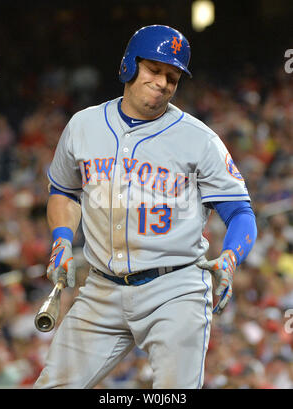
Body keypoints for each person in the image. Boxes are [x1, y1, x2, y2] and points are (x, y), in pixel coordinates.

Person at [34, 25, 257, 389]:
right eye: (154, 69)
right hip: (101, 289)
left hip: (175, 287)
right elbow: (64, 192)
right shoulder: (83, 126)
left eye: (172, 76)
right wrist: (61, 238)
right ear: (128, 66)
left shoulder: (200, 139)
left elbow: (240, 213)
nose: (163, 82)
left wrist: (230, 257)